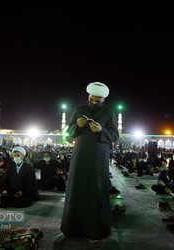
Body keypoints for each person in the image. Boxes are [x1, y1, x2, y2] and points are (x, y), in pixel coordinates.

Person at [59, 82, 119, 241]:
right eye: (92, 100)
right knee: (77, 187)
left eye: (97, 101)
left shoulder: (108, 112)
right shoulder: (80, 110)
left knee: (96, 188)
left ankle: (96, 229)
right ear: (88, 97)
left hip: (98, 157)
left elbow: (115, 135)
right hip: (80, 154)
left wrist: (101, 131)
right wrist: (77, 126)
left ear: (103, 100)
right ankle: (72, 227)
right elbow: (70, 132)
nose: (93, 103)